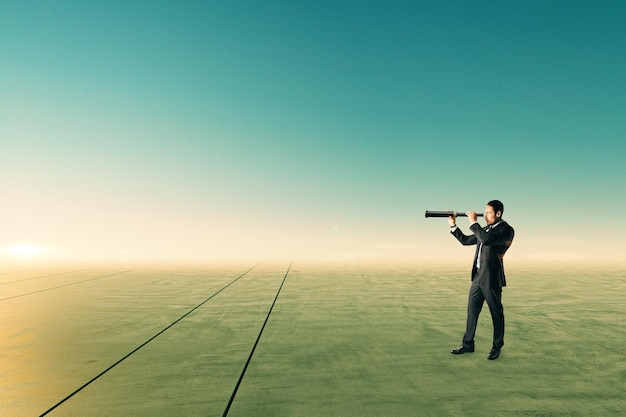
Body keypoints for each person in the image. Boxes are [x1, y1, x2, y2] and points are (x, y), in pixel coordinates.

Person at [448, 200, 514, 360]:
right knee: (472, 310)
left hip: (491, 279)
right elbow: (465, 240)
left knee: (496, 313)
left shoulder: (507, 230)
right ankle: (468, 344)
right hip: (478, 277)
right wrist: (453, 226)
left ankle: (497, 346)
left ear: (498, 213)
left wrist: (474, 223)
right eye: (484, 212)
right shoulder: (484, 229)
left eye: (489, 213)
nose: (485, 215)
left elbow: (487, 239)